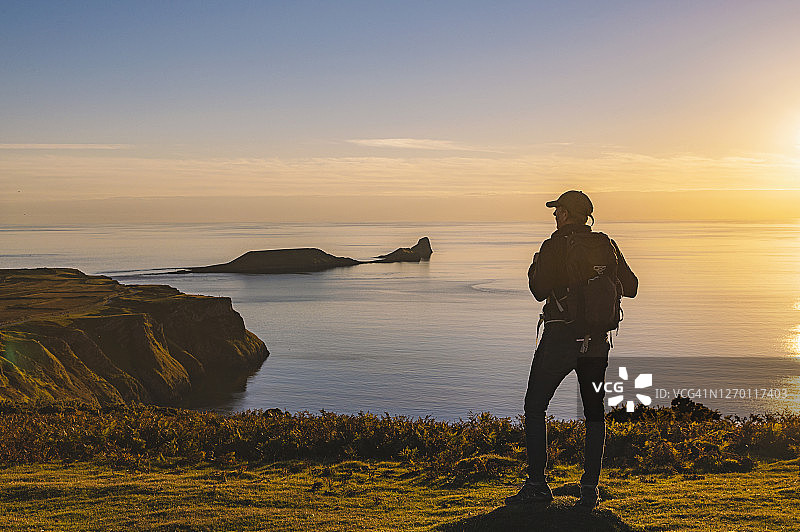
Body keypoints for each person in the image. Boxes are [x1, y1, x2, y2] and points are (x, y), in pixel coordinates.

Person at [506, 190, 638, 509]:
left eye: (557, 210)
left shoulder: (553, 246)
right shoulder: (607, 244)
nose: (554, 215)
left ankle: (538, 484)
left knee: (535, 406)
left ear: (566, 214)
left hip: (560, 339)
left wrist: (535, 266)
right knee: (594, 412)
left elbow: (538, 291)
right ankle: (589, 488)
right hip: (597, 342)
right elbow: (631, 288)